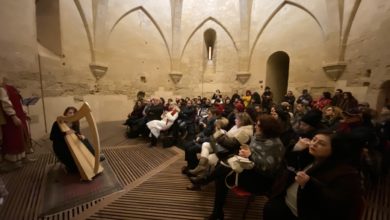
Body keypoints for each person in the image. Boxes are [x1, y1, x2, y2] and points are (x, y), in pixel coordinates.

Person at [263, 130, 365, 220]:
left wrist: (310, 184)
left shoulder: (346, 174)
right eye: (314, 139)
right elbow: (287, 169)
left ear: (334, 150)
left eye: (321, 143)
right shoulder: (310, 156)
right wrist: (296, 149)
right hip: (287, 205)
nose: (314, 144)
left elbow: (337, 203)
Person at [205, 114, 285, 220]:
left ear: (266, 128)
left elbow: (268, 169)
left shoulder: (276, 145)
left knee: (223, 173)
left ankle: (206, 182)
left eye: (258, 125)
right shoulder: (258, 137)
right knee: (223, 171)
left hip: (261, 180)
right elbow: (252, 154)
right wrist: (245, 154)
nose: (255, 126)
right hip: (249, 170)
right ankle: (217, 210)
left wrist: (249, 155)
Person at [50, 106, 104, 173]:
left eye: (74, 113)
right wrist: (65, 133)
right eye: (70, 113)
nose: (72, 114)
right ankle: (68, 166)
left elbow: (77, 132)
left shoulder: (75, 122)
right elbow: (52, 137)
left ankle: (95, 156)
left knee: (85, 140)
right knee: (75, 169)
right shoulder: (57, 123)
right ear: (65, 114)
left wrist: (80, 135)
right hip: (60, 145)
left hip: (72, 143)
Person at [0, 79, 35, 173]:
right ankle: (13, 163)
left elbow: (19, 103)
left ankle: (23, 158)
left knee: (23, 137)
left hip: (20, 116)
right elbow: (5, 103)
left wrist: (25, 113)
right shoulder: (3, 89)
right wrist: (13, 116)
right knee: (14, 139)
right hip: (11, 119)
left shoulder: (13, 89)